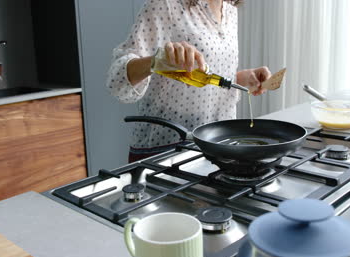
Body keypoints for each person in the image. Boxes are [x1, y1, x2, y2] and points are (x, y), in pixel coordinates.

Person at [107, 0, 271, 162]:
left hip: (217, 149)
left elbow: (204, 76)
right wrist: (156, 61)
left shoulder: (229, 10)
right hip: (165, 151)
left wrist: (241, 78)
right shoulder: (165, 5)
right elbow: (117, 82)